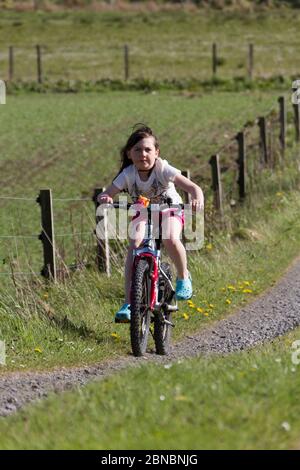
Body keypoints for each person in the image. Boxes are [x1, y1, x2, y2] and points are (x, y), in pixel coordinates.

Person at [98, 125, 204, 322]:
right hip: (143, 212)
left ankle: (183, 277)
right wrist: (105, 197)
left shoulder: (162, 168)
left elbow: (192, 187)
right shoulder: (128, 174)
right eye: (137, 150)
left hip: (169, 209)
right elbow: (109, 192)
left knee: (170, 238)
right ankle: (130, 302)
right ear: (129, 154)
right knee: (134, 244)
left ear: (156, 153)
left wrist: (197, 198)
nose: (143, 154)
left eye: (148, 150)